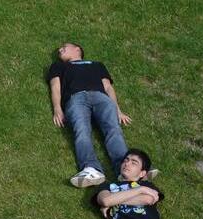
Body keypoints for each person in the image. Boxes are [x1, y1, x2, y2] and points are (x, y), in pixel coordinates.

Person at [48, 42, 156, 187]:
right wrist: (57, 109)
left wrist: (117, 109)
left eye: (64, 47)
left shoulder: (97, 64)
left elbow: (108, 87)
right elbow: (55, 87)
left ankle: (125, 172)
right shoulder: (58, 66)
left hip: (101, 98)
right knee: (81, 131)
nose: (60, 49)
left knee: (113, 129)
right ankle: (91, 169)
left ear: (77, 49)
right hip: (76, 98)